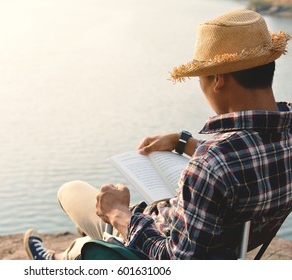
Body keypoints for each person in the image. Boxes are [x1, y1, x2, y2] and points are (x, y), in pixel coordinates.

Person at [23, 9, 292, 260]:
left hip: (149, 246)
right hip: (230, 249)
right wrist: (183, 142)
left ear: (219, 79)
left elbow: (176, 261)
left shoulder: (211, 164)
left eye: (202, 78)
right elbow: (248, 155)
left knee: (72, 192)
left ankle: (59, 259)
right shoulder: (281, 136)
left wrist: (118, 213)